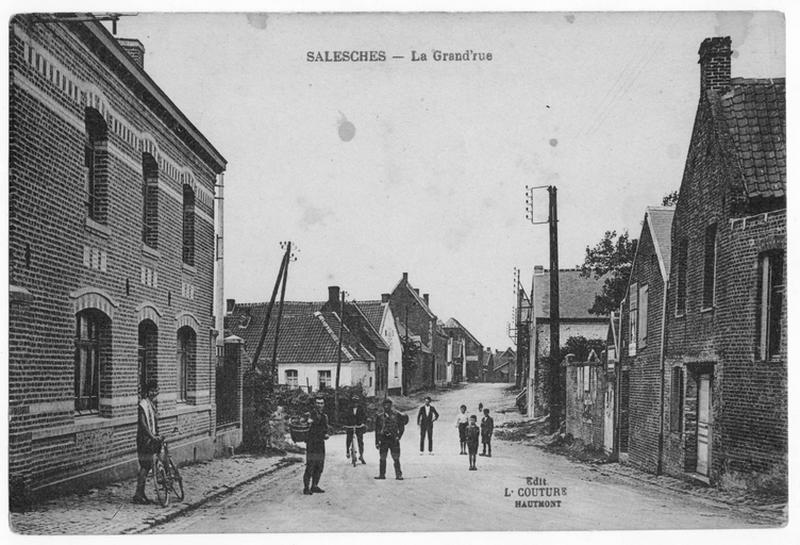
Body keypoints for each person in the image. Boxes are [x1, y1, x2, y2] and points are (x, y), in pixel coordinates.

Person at [133, 380, 162, 504]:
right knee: (145, 466)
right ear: (146, 391)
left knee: (148, 465)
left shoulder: (151, 404)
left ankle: (141, 493)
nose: (154, 393)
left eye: (156, 390)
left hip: (151, 438)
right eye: (151, 390)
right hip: (144, 439)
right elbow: (143, 424)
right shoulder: (143, 405)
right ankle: (138, 494)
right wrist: (151, 436)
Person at [303, 396, 330, 495]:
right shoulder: (309, 414)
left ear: (324, 404)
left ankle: (314, 485)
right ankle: (306, 488)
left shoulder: (324, 416)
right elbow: (302, 423)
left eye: (321, 403)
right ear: (315, 404)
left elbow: (326, 428)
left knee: (319, 465)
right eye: (318, 403)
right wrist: (307, 421)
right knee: (310, 465)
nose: (319, 405)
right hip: (311, 443)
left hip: (320, 443)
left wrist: (326, 434)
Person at [375, 398, 407, 480]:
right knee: (382, 457)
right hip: (383, 439)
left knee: (396, 457)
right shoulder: (379, 417)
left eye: (388, 405)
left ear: (391, 405)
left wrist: (398, 436)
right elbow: (377, 430)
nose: (386, 407)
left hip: (393, 439)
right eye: (385, 405)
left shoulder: (397, 415)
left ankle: (398, 474)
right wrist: (377, 441)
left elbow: (402, 427)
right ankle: (382, 474)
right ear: (382, 406)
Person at [345, 394, 367, 464]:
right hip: (350, 426)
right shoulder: (349, 408)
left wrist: (363, 423)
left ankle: (361, 455)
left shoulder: (361, 408)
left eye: (356, 402)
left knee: (360, 441)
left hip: (359, 426)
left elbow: (364, 416)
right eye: (354, 402)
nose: (355, 404)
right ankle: (348, 451)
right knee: (348, 439)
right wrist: (345, 424)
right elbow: (345, 417)